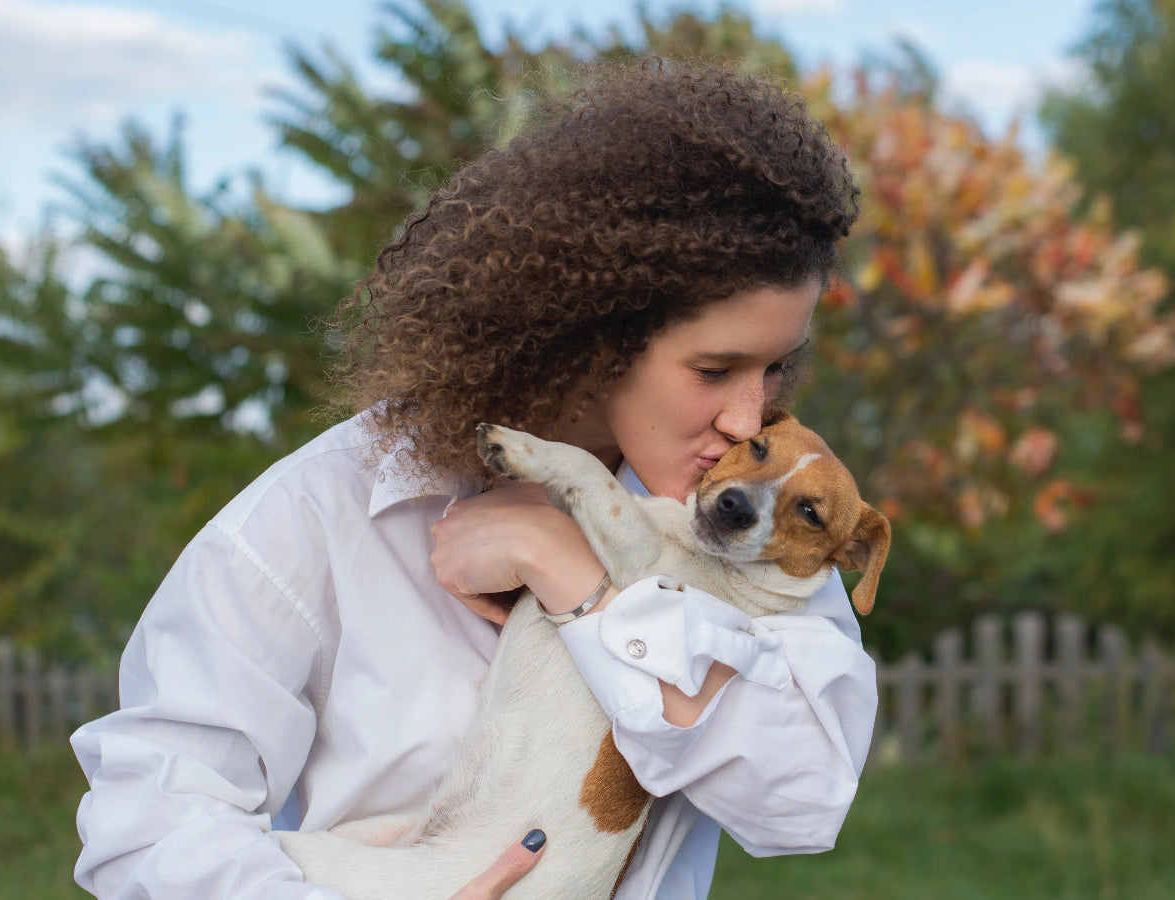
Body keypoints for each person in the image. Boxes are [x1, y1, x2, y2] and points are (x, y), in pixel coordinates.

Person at [71, 59, 876, 899]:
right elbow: (148, 823)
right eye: (715, 370)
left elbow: (801, 803)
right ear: (598, 334)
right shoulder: (319, 515)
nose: (752, 419)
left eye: (775, 367)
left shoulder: (751, 542)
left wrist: (584, 586)